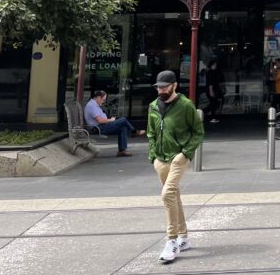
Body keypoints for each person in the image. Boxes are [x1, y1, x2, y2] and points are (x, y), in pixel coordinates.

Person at [147, 70, 204, 264]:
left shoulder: (186, 105)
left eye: (164, 87)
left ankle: (171, 240)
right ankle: (184, 237)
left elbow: (198, 132)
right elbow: (151, 132)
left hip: (178, 157)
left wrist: (185, 153)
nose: (161, 90)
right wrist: (153, 155)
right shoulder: (153, 106)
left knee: (167, 194)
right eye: (159, 87)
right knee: (174, 197)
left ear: (174, 86)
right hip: (160, 159)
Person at [84, 90, 144, 157]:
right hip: (99, 128)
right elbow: (100, 120)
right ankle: (134, 132)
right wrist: (111, 120)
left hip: (101, 126)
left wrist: (110, 120)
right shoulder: (92, 106)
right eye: (103, 100)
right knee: (123, 120)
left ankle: (122, 151)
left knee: (122, 127)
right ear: (98, 97)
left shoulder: (94, 105)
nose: (104, 102)